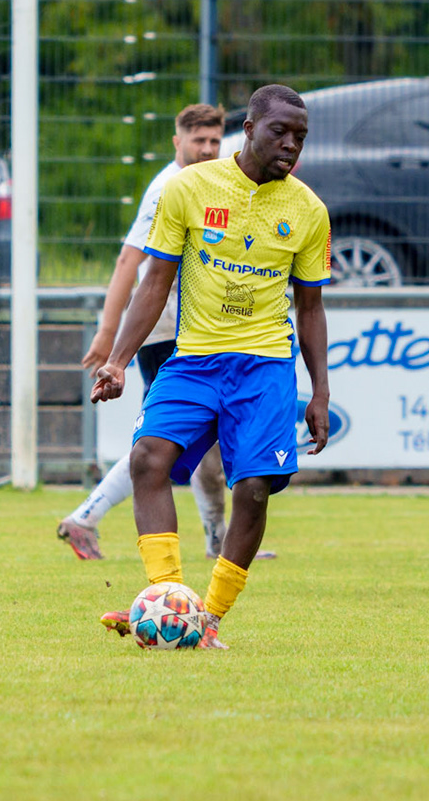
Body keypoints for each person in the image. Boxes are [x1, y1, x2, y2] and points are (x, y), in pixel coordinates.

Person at [89, 84, 332, 649]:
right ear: (246, 130)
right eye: (280, 132)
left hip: (267, 363)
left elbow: (312, 306)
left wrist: (319, 391)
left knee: (253, 487)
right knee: (149, 458)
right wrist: (118, 360)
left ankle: (212, 618)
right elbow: (155, 282)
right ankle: (169, 603)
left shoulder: (308, 209)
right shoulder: (189, 188)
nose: (291, 145)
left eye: (300, 137)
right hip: (194, 357)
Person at [56, 103, 261, 563]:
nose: (208, 149)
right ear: (178, 142)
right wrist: (109, 334)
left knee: (200, 438)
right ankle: (86, 516)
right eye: (199, 141)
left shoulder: (210, 182)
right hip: (165, 324)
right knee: (164, 438)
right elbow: (131, 260)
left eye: (214, 142)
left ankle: (216, 540)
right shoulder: (170, 186)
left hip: (190, 321)